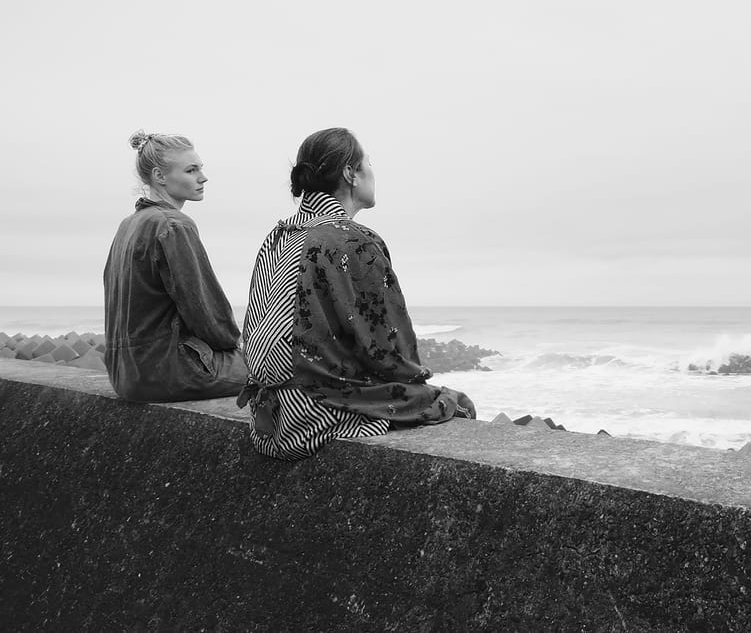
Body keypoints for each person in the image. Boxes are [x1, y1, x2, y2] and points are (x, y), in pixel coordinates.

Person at [239, 127, 475, 460]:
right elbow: (388, 349)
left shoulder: (278, 235)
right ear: (350, 173)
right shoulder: (351, 239)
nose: (373, 172)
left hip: (270, 416)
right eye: (368, 163)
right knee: (455, 403)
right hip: (314, 418)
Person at [103, 131, 248, 401]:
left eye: (200, 168)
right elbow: (205, 309)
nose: (203, 177)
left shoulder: (128, 225)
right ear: (159, 176)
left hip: (124, 375)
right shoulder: (173, 224)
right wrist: (234, 344)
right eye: (191, 170)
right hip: (169, 372)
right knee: (283, 370)